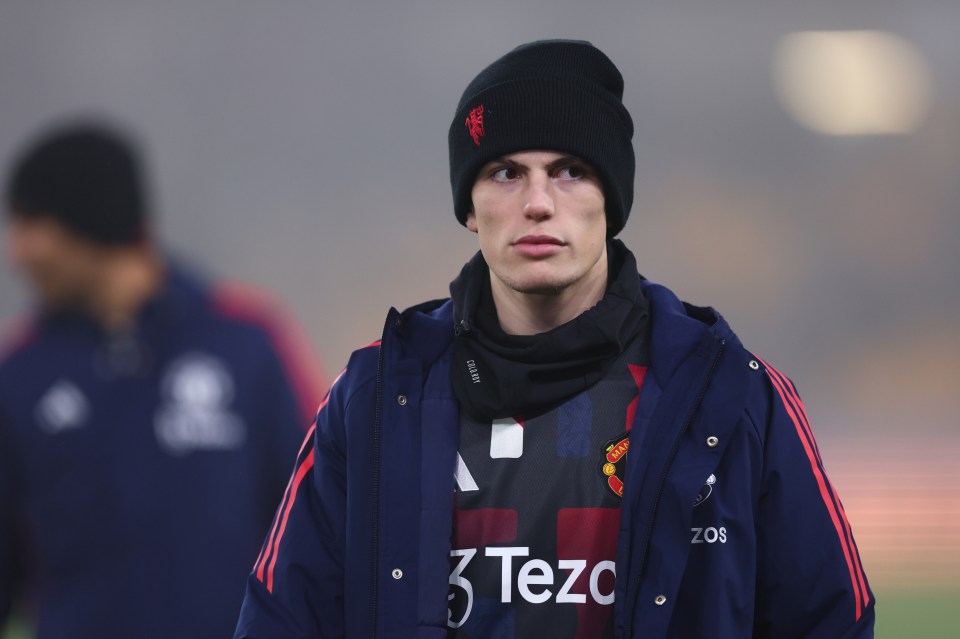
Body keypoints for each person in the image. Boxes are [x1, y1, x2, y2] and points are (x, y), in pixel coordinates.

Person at [233, 40, 875, 638]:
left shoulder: (736, 397)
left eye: (569, 170)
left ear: (611, 198)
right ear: (468, 206)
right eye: (506, 173)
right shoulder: (373, 400)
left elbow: (831, 622)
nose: (537, 203)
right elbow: (281, 620)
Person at [0, 121, 327, 639]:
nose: (17, 252)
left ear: (87, 222)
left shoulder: (244, 343)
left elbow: (319, 517)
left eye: (29, 224)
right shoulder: (19, 371)